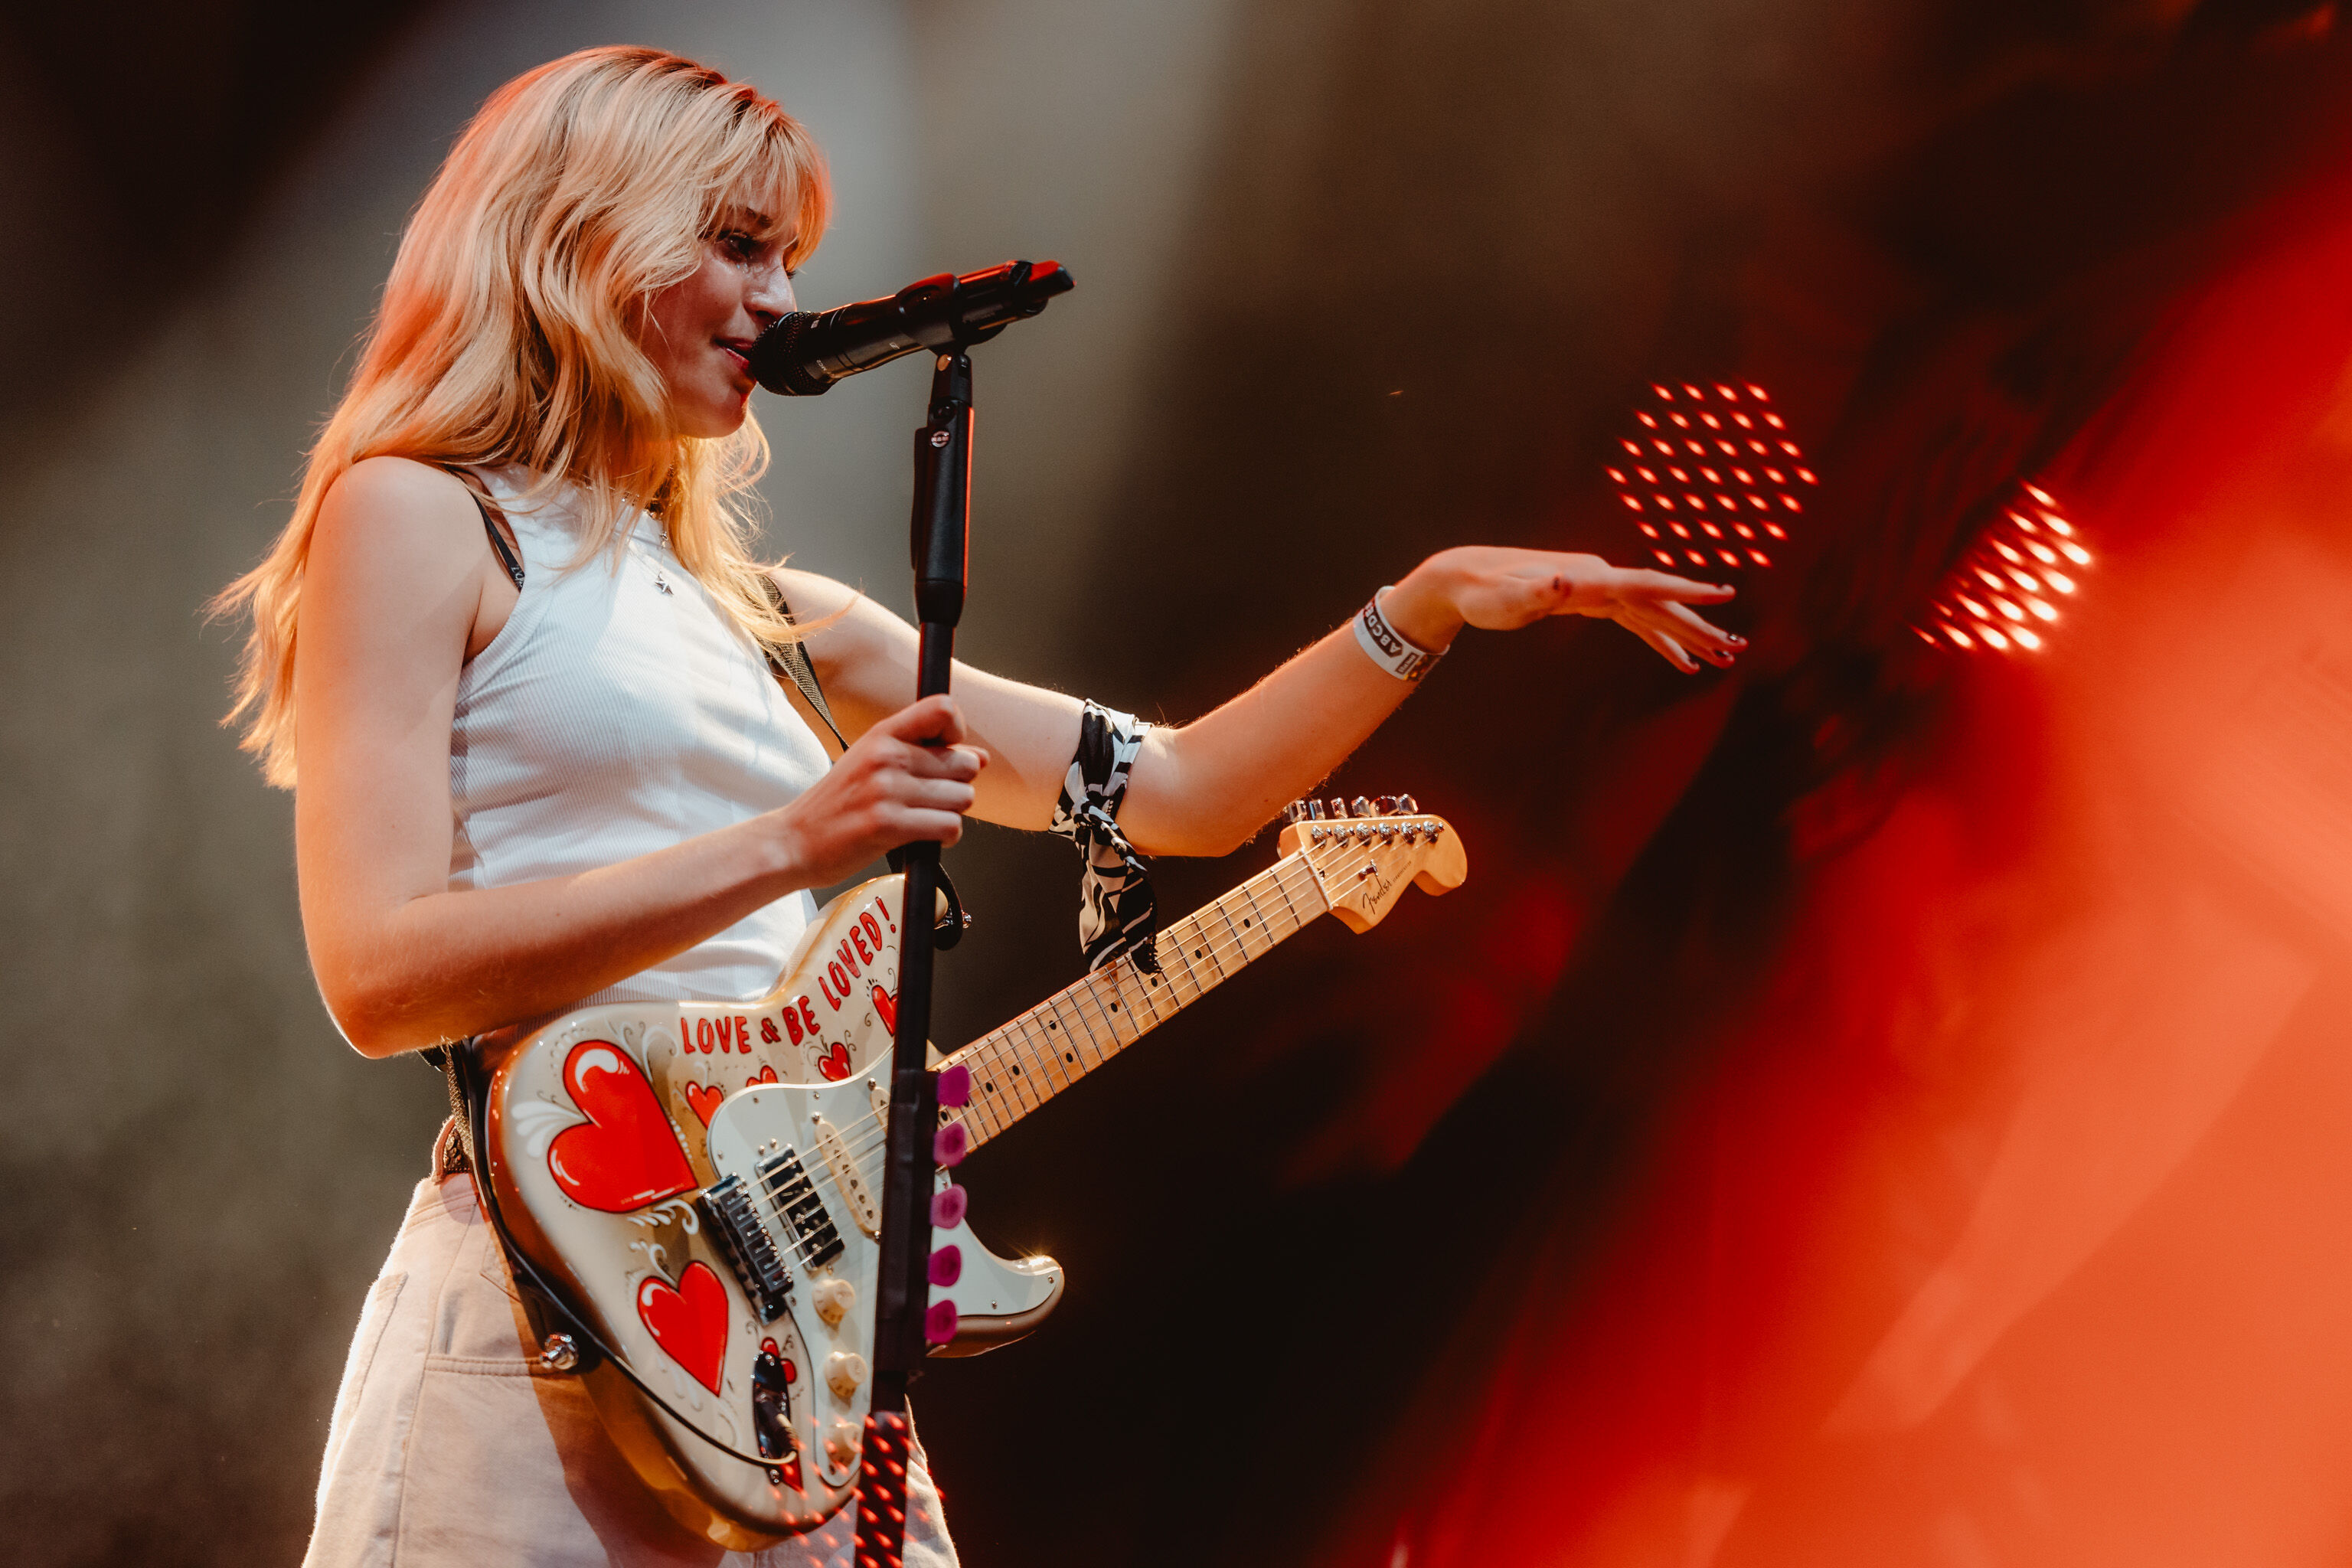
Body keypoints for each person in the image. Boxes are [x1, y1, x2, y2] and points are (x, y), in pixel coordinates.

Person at [213, 43, 1742, 1568]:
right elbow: (379, 972)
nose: (782, 302)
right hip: (540, 1325)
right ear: (580, 234)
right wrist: (793, 844)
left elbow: (1183, 794)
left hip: (792, 1357)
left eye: (791, 260)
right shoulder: (421, 513)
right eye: (738, 246)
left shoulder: (774, 620)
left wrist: (1425, 608)